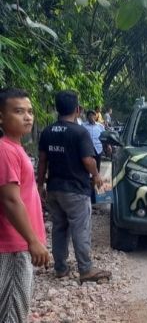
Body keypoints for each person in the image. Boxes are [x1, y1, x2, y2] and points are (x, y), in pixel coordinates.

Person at [37, 91, 111, 284]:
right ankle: (85, 269)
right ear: (78, 110)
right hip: (76, 190)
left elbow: (42, 161)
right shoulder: (80, 132)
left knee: (59, 227)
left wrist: (39, 185)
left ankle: (60, 268)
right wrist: (96, 176)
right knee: (80, 228)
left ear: (56, 109)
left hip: (54, 188)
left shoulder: (47, 131)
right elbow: (88, 160)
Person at [0, 88, 49, 323]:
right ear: (1, 116)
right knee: (12, 312)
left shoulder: (15, 148)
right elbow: (10, 200)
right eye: (18, 111)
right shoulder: (5, 150)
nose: (27, 117)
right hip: (13, 245)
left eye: (29, 111)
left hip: (18, 244)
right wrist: (32, 240)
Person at [82, 110, 105, 204]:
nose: (91, 117)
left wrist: (107, 146)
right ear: (87, 117)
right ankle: (87, 194)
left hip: (97, 150)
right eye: (89, 116)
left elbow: (104, 137)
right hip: (87, 151)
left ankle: (95, 196)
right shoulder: (83, 126)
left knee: (96, 173)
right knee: (86, 172)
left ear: (95, 117)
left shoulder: (100, 126)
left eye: (93, 115)